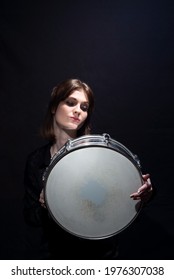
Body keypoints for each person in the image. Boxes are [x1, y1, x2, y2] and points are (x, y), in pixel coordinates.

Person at [23, 78, 153, 260]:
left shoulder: (98, 155)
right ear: (54, 107)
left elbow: (118, 208)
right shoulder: (37, 161)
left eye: (84, 108)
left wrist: (144, 197)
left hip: (99, 257)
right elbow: (31, 218)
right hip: (56, 258)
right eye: (70, 103)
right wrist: (45, 204)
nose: (78, 110)